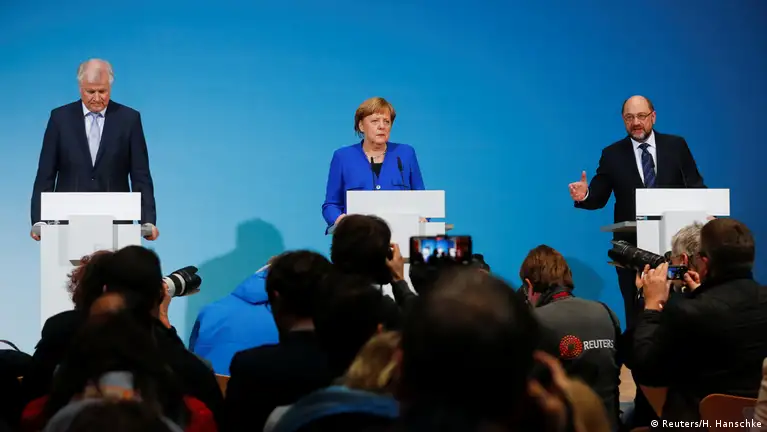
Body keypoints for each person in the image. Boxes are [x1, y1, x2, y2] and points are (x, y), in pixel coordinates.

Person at [567, 95, 705, 330]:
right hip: (633, 252)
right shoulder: (612, 154)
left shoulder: (676, 146)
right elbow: (598, 197)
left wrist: (706, 215)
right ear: (623, 120)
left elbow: (696, 187)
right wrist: (585, 195)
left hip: (675, 249)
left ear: (653, 116)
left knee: (680, 315)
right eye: (629, 118)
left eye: (641, 116)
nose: (636, 122)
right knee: (637, 317)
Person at [30, 58, 158, 241]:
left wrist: (148, 221)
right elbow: (45, 174)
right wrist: (39, 220)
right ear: (80, 88)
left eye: (102, 91)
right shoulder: (60, 119)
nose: (97, 98)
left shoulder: (129, 119)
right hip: (67, 222)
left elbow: (141, 175)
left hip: (116, 223)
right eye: (90, 91)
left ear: (110, 87)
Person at [321, 97, 426, 233]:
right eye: (375, 121)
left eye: (386, 121)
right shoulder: (343, 157)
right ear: (361, 126)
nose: (382, 126)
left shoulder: (405, 154)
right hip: (357, 236)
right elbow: (331, 205)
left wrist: (422, 218)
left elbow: (422, 200)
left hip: (401, 235)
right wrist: (340, 220)